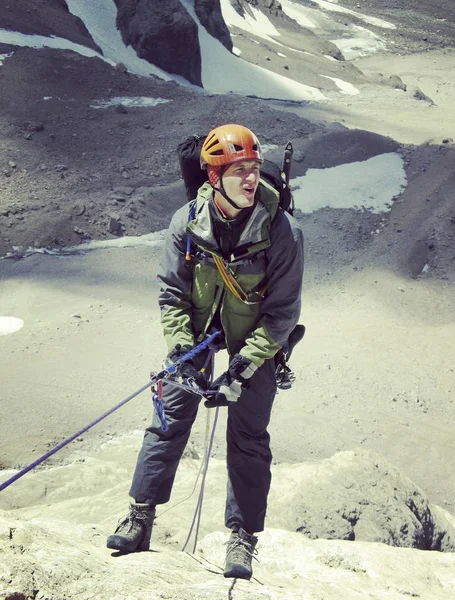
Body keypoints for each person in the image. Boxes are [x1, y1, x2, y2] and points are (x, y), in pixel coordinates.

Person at [107, 123, 304, 580]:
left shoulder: (283, 232)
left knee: (249, 435)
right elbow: (172, 293)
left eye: (254, 168)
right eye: (239, 171)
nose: (251, 178)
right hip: (197, 332)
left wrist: (241, 368)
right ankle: (140, 517)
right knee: (169, 418)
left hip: (254, 340)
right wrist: (181, 351)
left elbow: (281, 315)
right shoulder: (187, 223)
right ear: (213, 178)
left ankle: (242, 538)